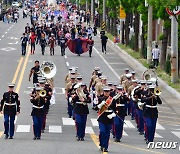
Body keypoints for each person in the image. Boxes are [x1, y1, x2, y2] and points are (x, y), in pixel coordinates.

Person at [95, 87, 116, 152]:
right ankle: (101, 144)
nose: (106, 93)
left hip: (109, 118)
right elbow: (96, 108)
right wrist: (101, 104)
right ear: (103, 92)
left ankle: (105, 147)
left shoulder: (112, 100)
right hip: (102, 117)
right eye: (105, 92)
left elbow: (115, 110)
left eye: (108, 92)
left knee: (107, 133)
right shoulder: (100, 99)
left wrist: (112, 115)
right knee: (102, 131)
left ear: (109, 92)